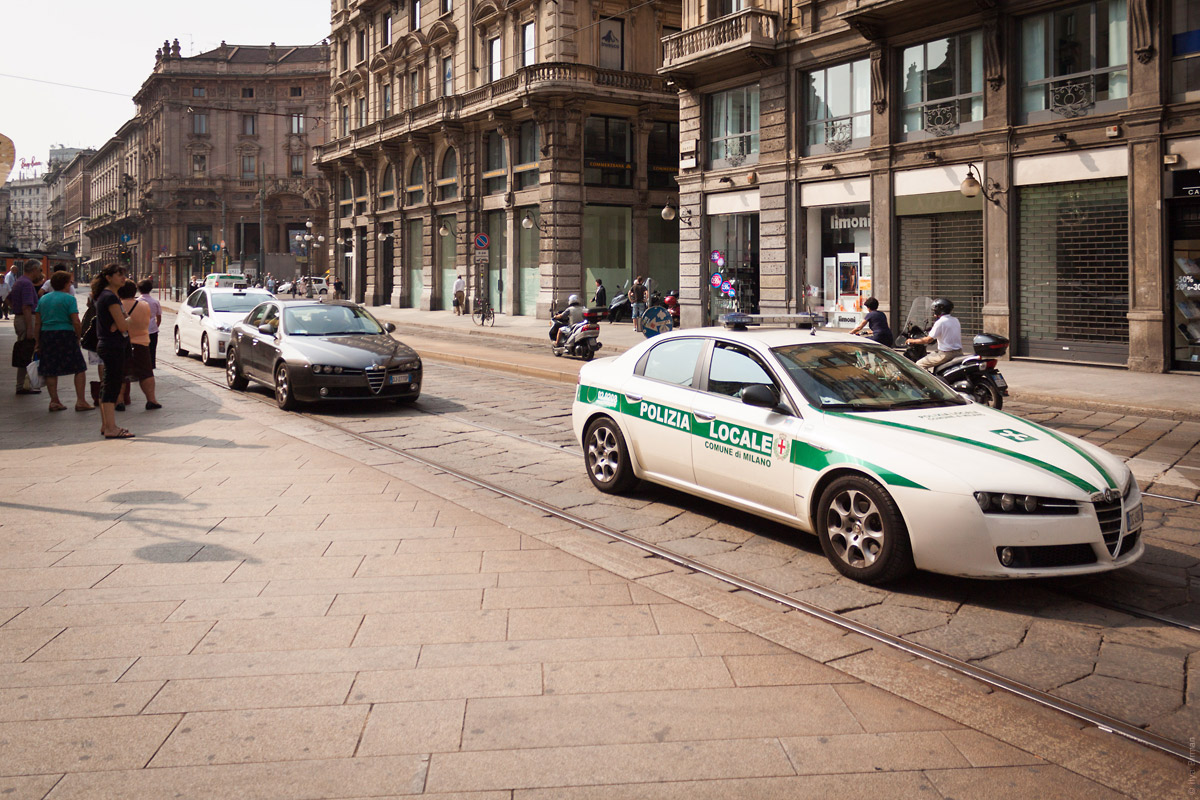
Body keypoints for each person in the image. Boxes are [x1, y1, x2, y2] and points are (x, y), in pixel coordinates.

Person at [33, 271, 92, 412]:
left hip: (47, 335)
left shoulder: (43, 299)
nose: (70, 284)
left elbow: (37, 323)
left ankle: (54, 401)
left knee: (50, 369)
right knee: (79, 367)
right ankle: (81, 401)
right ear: (65, 284)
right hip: (66, 334)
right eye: (70, 282)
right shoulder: (69, 299)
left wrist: (37, 341)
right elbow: (76, 321)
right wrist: (78, 337)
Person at [91, 264, 134, 439]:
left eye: (124, 274)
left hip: (108, 344)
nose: (123, 277)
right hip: (112, 346)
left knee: (107, 384)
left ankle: (106, 425)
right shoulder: (110, 297)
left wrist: (119, 324)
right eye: (119, 274)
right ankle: (111, 427)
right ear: (108, 277)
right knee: (112, 386)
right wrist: (129, 319)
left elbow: (117, 325)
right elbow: (123, 324)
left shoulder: (106, 295)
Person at [118, 281, 160, 410]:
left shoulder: (117, 306)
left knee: (120, 374)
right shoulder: (144, 306)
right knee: (146, 373)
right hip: (141, 342)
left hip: (121, 343)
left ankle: (119, 401)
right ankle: (151, 399)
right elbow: (147, 321)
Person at [12, 260, 43, 394]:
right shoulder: (26, 284)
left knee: (25, 351)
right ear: (34, 270)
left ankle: (24, 384)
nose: (41, 273)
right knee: (26, 352)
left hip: (21, 318)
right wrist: (30, 328)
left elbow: (9, 298)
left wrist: (15, 308)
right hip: (26, 319)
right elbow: (26, 306)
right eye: (40, 270)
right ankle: (22, 385)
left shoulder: (20, 281)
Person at [914, 298, 963, 372]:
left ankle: (929, 383)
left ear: (939, 310)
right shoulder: (955, 320)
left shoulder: (940, 322)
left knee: (919, 364)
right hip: (958, 352)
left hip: (946, 354)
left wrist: (912, 341)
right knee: (932, 354)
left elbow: (928, 340)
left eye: (934, 310)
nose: (934, 313)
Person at [137, 279, 162, 369]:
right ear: (150, 289)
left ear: (139, 289)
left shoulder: (137, 302)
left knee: (140, 351)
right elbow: (159, 317)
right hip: (152, 330)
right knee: (152, 350)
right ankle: (151, 367)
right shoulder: (155, 302)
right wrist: (155, 326)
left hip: (139, 331)